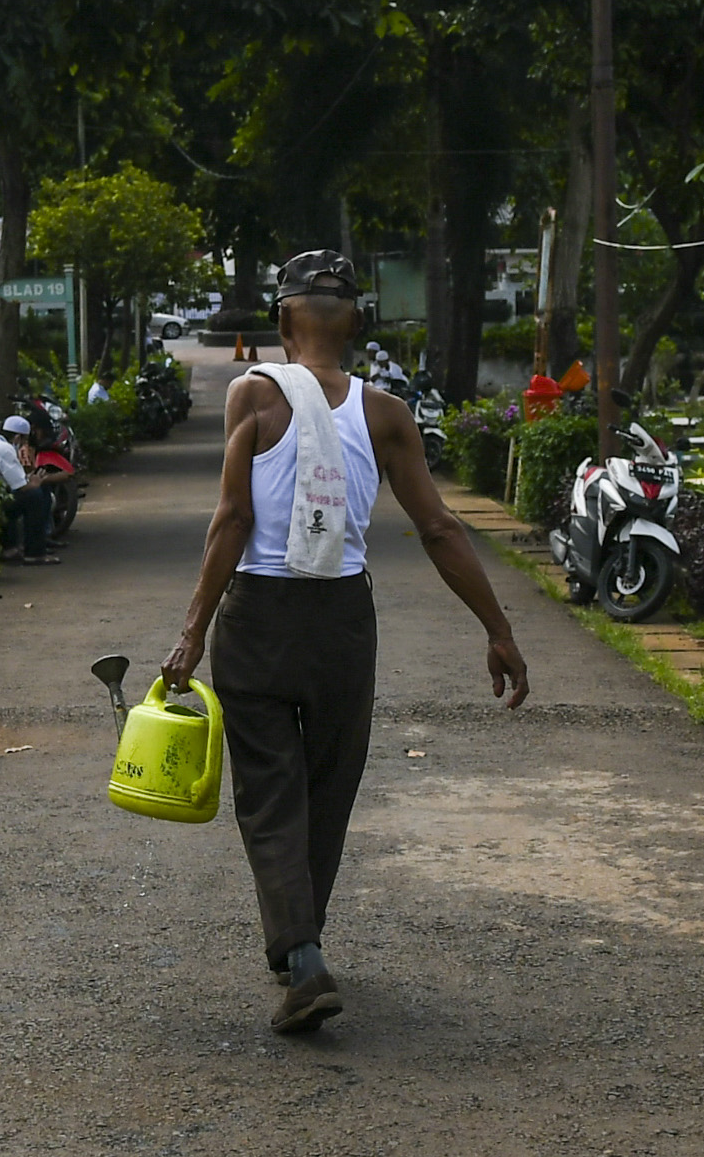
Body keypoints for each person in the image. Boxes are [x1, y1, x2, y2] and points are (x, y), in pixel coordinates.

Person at [163, 249, 529, 1034]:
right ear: (357, 322)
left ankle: (300, 954)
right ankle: (303, 945)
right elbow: (438, 526)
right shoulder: (386, 413)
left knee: (268, 792)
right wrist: (498, 630)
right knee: (326, 789)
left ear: (283, 318)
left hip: (258, 618)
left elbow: (231, 521)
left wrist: (192, 631)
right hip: (342, 626)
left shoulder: (252, 397)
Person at [0, 413, 59, 565]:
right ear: (17, 438)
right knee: (35, 496)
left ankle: (11, 548)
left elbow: (14, 481)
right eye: (24, 440)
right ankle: (35, 552)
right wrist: (36, 482)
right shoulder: (6, 449)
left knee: (21, 497)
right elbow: (22, 486)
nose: (24, 444)